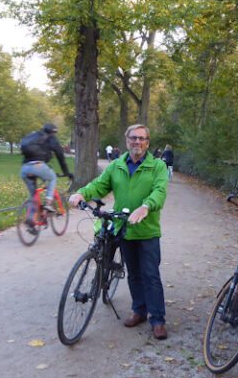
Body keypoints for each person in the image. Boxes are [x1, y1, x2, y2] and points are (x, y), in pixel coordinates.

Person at [68, 124, 170, 340]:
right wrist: (81, 194)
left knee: (150, 275)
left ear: (147, 142)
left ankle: (158, 320)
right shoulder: (116, 165)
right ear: (127, 140)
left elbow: (160, 191)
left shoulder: (157, 167)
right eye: (133, 138)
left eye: (142, 138)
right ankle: (139, 311)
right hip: (124, 228)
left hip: (147, 230)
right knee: (133, 273)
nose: (137, 142)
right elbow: (99, 186)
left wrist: (146, 206)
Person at [20, 123, 72, 215]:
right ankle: (48, 202)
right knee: (52, 178)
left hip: (25, 168)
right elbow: (60, 157)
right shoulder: (51, 139)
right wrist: (66, 172)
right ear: (53, 132)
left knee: (34, 196)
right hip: (38, 166)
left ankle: (30, 221)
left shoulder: (34, 135)